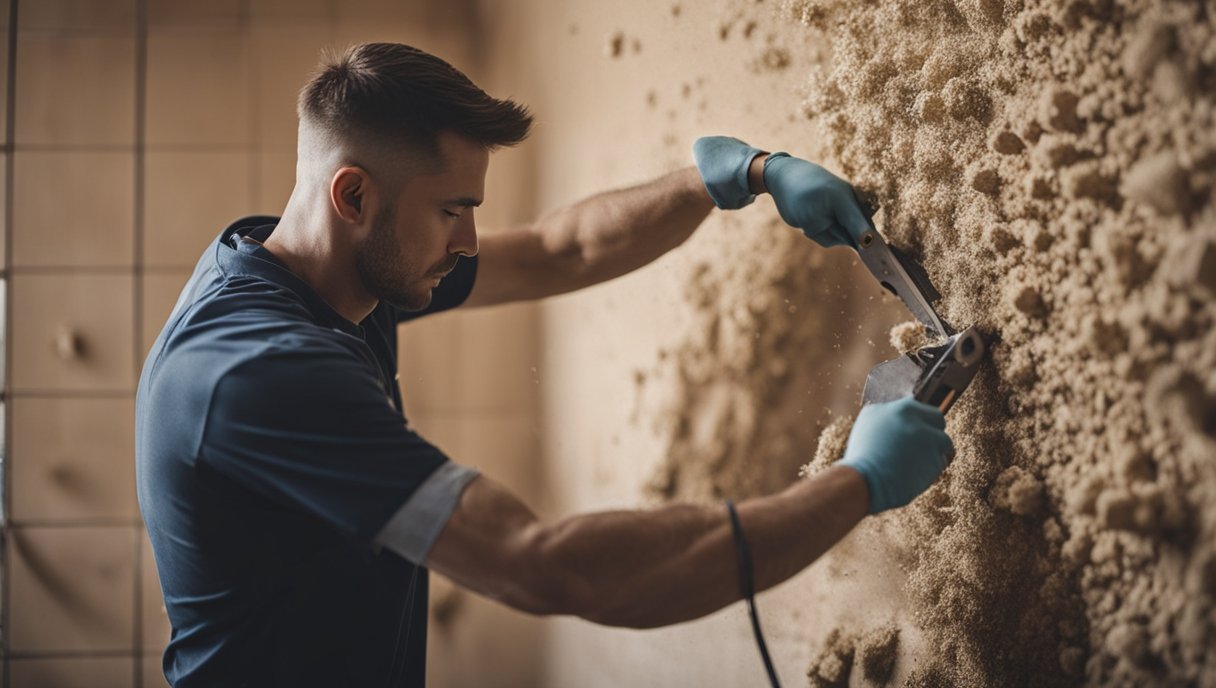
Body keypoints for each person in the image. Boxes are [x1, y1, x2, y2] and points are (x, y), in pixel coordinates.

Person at [135, 42, 953, 687]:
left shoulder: (320, 266)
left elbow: (562, 250)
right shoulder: (263, 373)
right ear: (352, 197)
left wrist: (738, 176)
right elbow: (549, 567)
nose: (465, 243)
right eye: (452, 210)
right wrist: (857, 485)